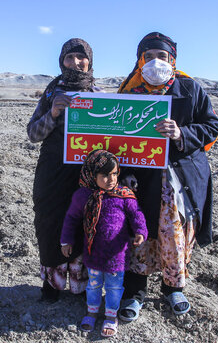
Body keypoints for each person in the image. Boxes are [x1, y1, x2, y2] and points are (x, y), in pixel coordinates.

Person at [117, 32, 218, 318]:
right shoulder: (129, 93)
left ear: (172, 59)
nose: (155, 63)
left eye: (161, 57)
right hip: (142, 180)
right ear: (139, 61)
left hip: (179, 180)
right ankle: (135, 291)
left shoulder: (190, 89)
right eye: (148, 57)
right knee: (139, 233)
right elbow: (114, 140)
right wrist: (124, 173)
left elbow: (212, 127)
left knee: (173, 235)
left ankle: (172, 288)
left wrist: (181, 133)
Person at [27, 38, 99, 302]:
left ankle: (81, 287)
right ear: (61, 61)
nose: (75, 63)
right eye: (69, 58)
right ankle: (52, 285)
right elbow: (33, 133)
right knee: (49, 222)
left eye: (81, 57)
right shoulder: (51, 92)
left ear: (90, 61)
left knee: (85, 223)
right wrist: (53, 113)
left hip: (85, 175)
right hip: (53, 170)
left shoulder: (99, 95)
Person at [60, 150, 147, 337]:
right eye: (105, 175)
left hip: (117, 254)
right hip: (93, 254)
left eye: (115, 174)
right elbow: (72, 218)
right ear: (92, 175)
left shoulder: (124, 195)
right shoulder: (84, 196)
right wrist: (66, 240)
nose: (111, 179)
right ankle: (91, 312)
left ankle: (110, 316)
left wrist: (141, 231)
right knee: (93, 285)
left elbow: (136, 214)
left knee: (115, 287)